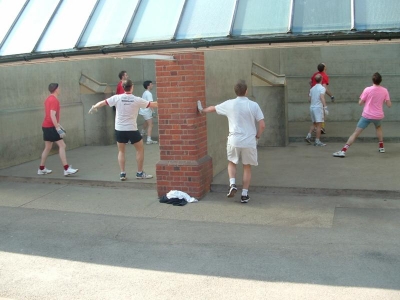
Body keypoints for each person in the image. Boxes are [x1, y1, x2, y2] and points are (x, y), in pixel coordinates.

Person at [199, 80, 265, 203]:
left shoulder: (230, 104)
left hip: (234, 140)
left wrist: (202, 110)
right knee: (247, 167)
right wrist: (257, 136)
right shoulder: (254, 105)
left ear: (236, 92)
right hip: (249, 141)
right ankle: (244, 195)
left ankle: (233, 184)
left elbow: (213, 108)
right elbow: (262, 125)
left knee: (231, 162)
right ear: (246, 91)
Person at [88, 79, 158, 180]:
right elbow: (153, 104)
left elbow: (103, 103)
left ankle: (122, 173)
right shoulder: (136, 99)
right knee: (140, 149)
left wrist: (94, 106)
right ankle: (139, 173)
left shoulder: (117, 98)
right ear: (132, 87)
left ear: (123, 87)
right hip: (132, 129)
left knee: (121, 151)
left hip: (119, 129)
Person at [333, 72, 391, 158]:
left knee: (356, 133)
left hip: (367, 115)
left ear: (373, 80)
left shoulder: (367, 89)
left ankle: (343, 151)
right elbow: (389, 105)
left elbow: (360, 103)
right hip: (378, 116)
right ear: (380, 81)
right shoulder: (385, 90)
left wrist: (362, 99)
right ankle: (381, 147)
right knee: (378, 128)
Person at [38, 83, 79, 176]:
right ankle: (66, 168)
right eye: (59, 88)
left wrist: (58, 125)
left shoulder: (48, 99)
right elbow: (52, 115)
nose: (60, 89)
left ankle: (41, 168)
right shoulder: (54, 100)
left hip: (46, 126)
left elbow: (50, 115)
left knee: (48, 147)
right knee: (62, 145)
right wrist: (57, 128)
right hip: (51, 127)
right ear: (56, 89)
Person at [310, 63, 334, 134]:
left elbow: (310, 83)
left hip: (312, 96)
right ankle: (320, 128)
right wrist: (331, 96)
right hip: (319, 96)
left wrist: (311, 92)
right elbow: (324, 88)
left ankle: (316, 128)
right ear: (324, 68)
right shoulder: (324, 76)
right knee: (321, 113)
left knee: (316, 113)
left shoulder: (315, 74)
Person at [305, 74, 328, 146]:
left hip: (312, 107)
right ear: (321, 80)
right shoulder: (322, 88)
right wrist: (325, 107)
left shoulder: (312, 89)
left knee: (314, 123)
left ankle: (308, 136)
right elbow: (322, 97)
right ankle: (317, 141)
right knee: (319, 125)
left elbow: (309, 99)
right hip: (318, 108)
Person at [139, 80, 158, 145]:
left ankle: (142, 133)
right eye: (151, 84)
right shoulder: (149, 94)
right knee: (151, 124)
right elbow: (151, 104)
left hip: (144, 110)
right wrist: (153, 112)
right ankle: (148, 139)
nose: (152, 85)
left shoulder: (145, 93)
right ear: (148, 86)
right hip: (146, 111)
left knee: (146, 122)